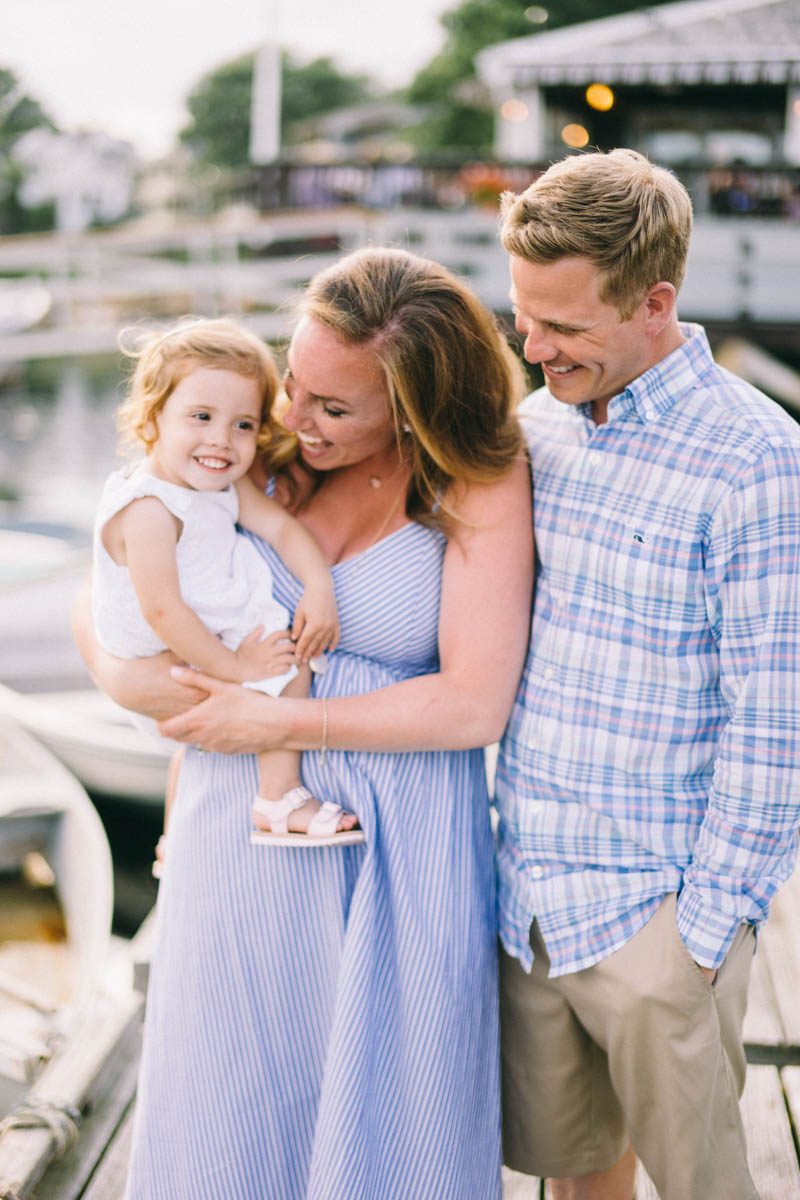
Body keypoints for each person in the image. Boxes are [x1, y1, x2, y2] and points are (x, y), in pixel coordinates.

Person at [73, 247, 534, 1198]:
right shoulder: (252, 447)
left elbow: (474, 702)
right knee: (231, 1103)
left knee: (392, 1128)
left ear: (409, 408)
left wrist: (284, 719)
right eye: (296, 383)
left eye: (334, 407)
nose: (293, 418)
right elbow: (115, 581)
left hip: (394, 848)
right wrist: (124, 679)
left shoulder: (473, 484)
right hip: (235, 825)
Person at [494, 148, 800, 1200]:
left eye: (564, 327)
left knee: (707, 1187)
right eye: (522, 318)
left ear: (653, 302)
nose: (534, 348)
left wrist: (705, 927)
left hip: (659, 910)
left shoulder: (756, 459)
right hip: (527, 896)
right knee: (577, 1179)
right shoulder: (534, 428)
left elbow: (779, 723)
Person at [92, 316, 359, 844]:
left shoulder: (218, 485)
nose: (221, 440)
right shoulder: (149, 506)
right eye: (201, 417)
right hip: (170, 653)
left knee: (278, 657)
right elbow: (162, 611)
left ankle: (174, 836)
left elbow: (282, 529)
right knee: (288, 668)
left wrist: (318, 587)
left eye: (242, 425)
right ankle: (278, 797)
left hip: (195, 646)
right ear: (152, 417)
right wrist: (237, 668)